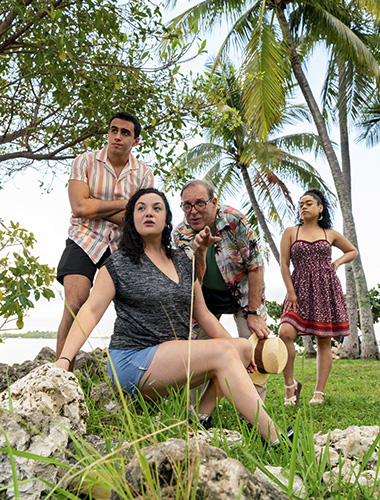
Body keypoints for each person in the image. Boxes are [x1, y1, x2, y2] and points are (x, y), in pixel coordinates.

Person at [55, 188, 285, 445]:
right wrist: (65, 358)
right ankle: (275, 439)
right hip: (132, 359)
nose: (149, 213)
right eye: (140, 208)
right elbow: (90, 311)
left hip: (170, 357)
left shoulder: (183, 262)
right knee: (225, 353)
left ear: (167, 220)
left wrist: (239, 353)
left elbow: (205, 316)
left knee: (242, 347)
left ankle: (200, 417)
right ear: (132, 219)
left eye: (156, 208)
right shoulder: (118, 264)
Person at [56, 112, 154, 369]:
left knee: (135, 308)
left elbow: (138, 221)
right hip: (84, 238)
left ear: (136, 140)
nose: (117, 137)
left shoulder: (144, 174)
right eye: (114, 130)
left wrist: (96, 206)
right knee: (75, 303)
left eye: (125, 133)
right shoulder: (84, 161)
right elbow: (79, 207)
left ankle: (136, 373)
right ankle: (61, 372)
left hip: (123, 245)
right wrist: (127, 204)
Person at [174, 180, 270, 402]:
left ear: (214, 202)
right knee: (192, 350)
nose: (193, 211)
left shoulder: (235, 220)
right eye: (187, 205)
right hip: (206, 298)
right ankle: (194, 413)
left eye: (200, 203)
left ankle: (255, 415)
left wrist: (254, 313)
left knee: (253, 347)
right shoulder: (181, 233)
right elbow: (195, 278)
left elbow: (255, 266)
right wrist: (201, 250)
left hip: (244, 295)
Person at [279, 188, 357, 405]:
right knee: (285, 332)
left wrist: (337, 263)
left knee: (324, 341)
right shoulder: (291, 232)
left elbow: (352, 251)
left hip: (325, 289)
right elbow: (284, 264)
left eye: (308, 203)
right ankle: (290, 388)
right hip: (298, 289)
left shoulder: (329, 234)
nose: (303, 206)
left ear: (320, 208)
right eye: (301, 203)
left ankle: (319, 393)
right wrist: (291, 292)